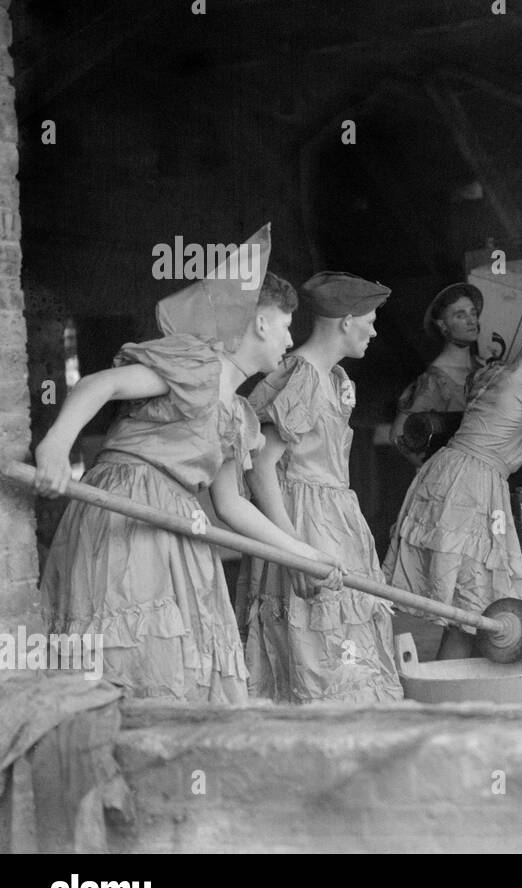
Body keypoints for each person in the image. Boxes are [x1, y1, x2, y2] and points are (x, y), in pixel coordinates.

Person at [33, 226, 344, 703]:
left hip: (180, 524)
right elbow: (100, 384)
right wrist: (55, 448)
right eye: (285, 325)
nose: (289, 339)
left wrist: (304, 554)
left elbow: (231, 506)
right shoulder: (195, 365)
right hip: (126, 506)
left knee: (183, 665)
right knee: (131, 648)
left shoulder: (238, 416)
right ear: (260, 323)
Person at [239, 271, 405, 704]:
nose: (374, 331)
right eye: (369, 320)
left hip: (334, 517)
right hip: (303, 521)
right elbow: (261, 468)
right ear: (346, 321)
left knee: (347, 644)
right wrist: (294, 550)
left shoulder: (335, 379)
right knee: (319, 649)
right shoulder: (303, 377)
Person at [383, 307, 522, 659]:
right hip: (473, 486)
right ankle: (448, 690)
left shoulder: (492, 374)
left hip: (445, 473)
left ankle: (454, 687)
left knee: (467, 609)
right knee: (473, 607)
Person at [392, 283, 485, 466]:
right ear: (443, 325)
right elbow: (398, 434)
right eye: (460, 315)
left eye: (473, 313)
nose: (471, 321)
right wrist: (435, 471)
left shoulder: (482, 367)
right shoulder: (434, 381)